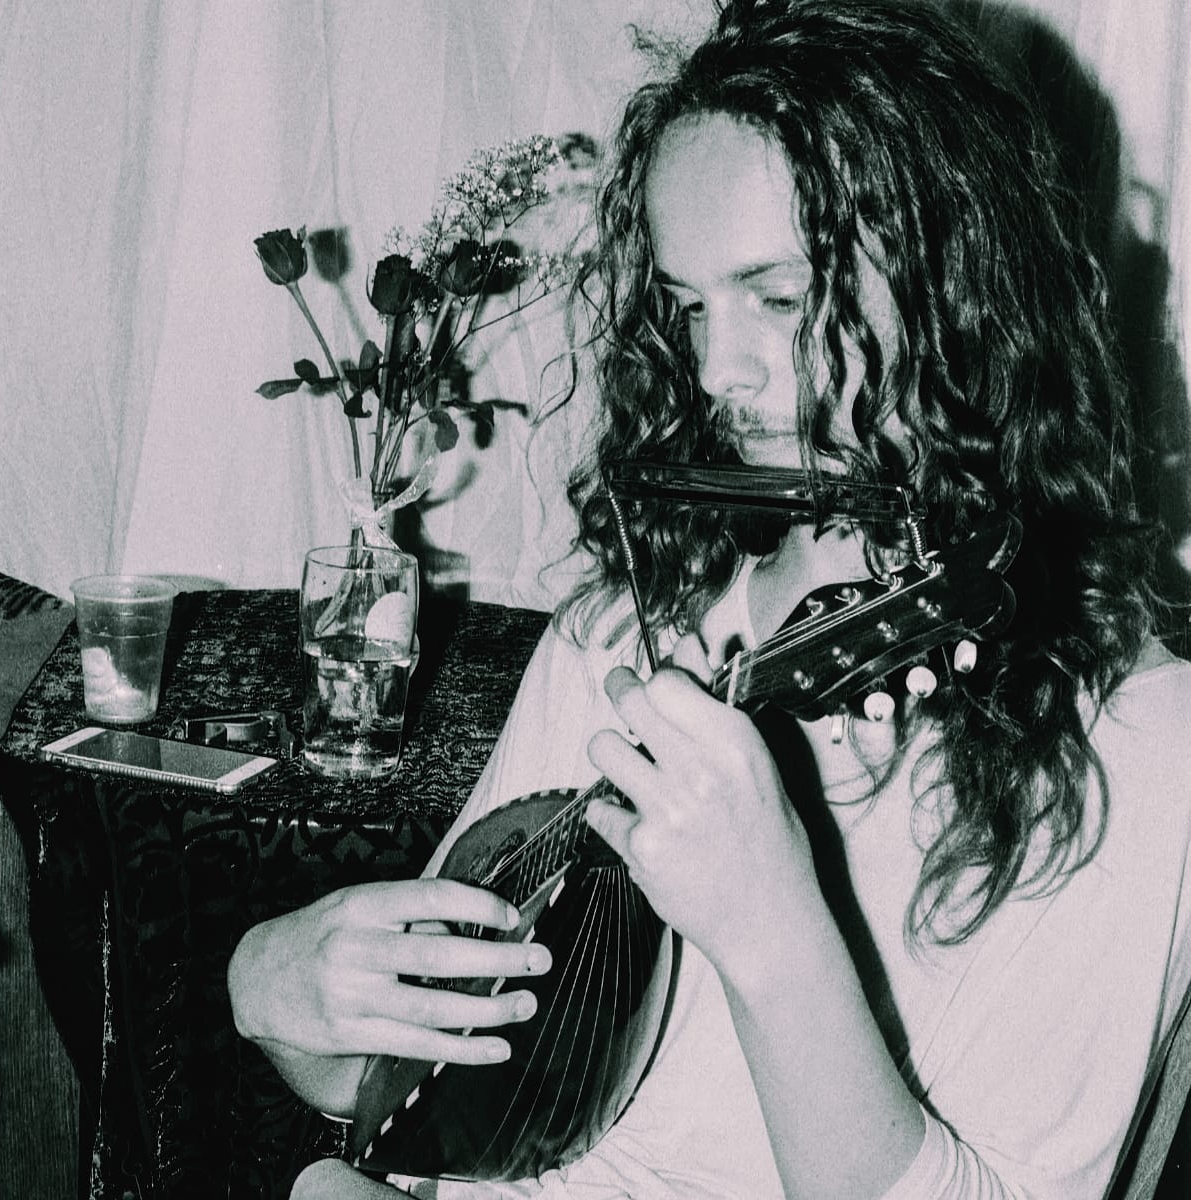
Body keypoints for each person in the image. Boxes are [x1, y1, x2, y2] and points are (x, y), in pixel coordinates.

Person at [227, 1, 1191, 1196]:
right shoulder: (628, 631)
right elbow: (419, 1087)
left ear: (960, 286)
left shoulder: (1131, 744)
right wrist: (274, 986)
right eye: (688, 306)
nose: (720, 370)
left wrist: (773, 932)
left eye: (780, 299)